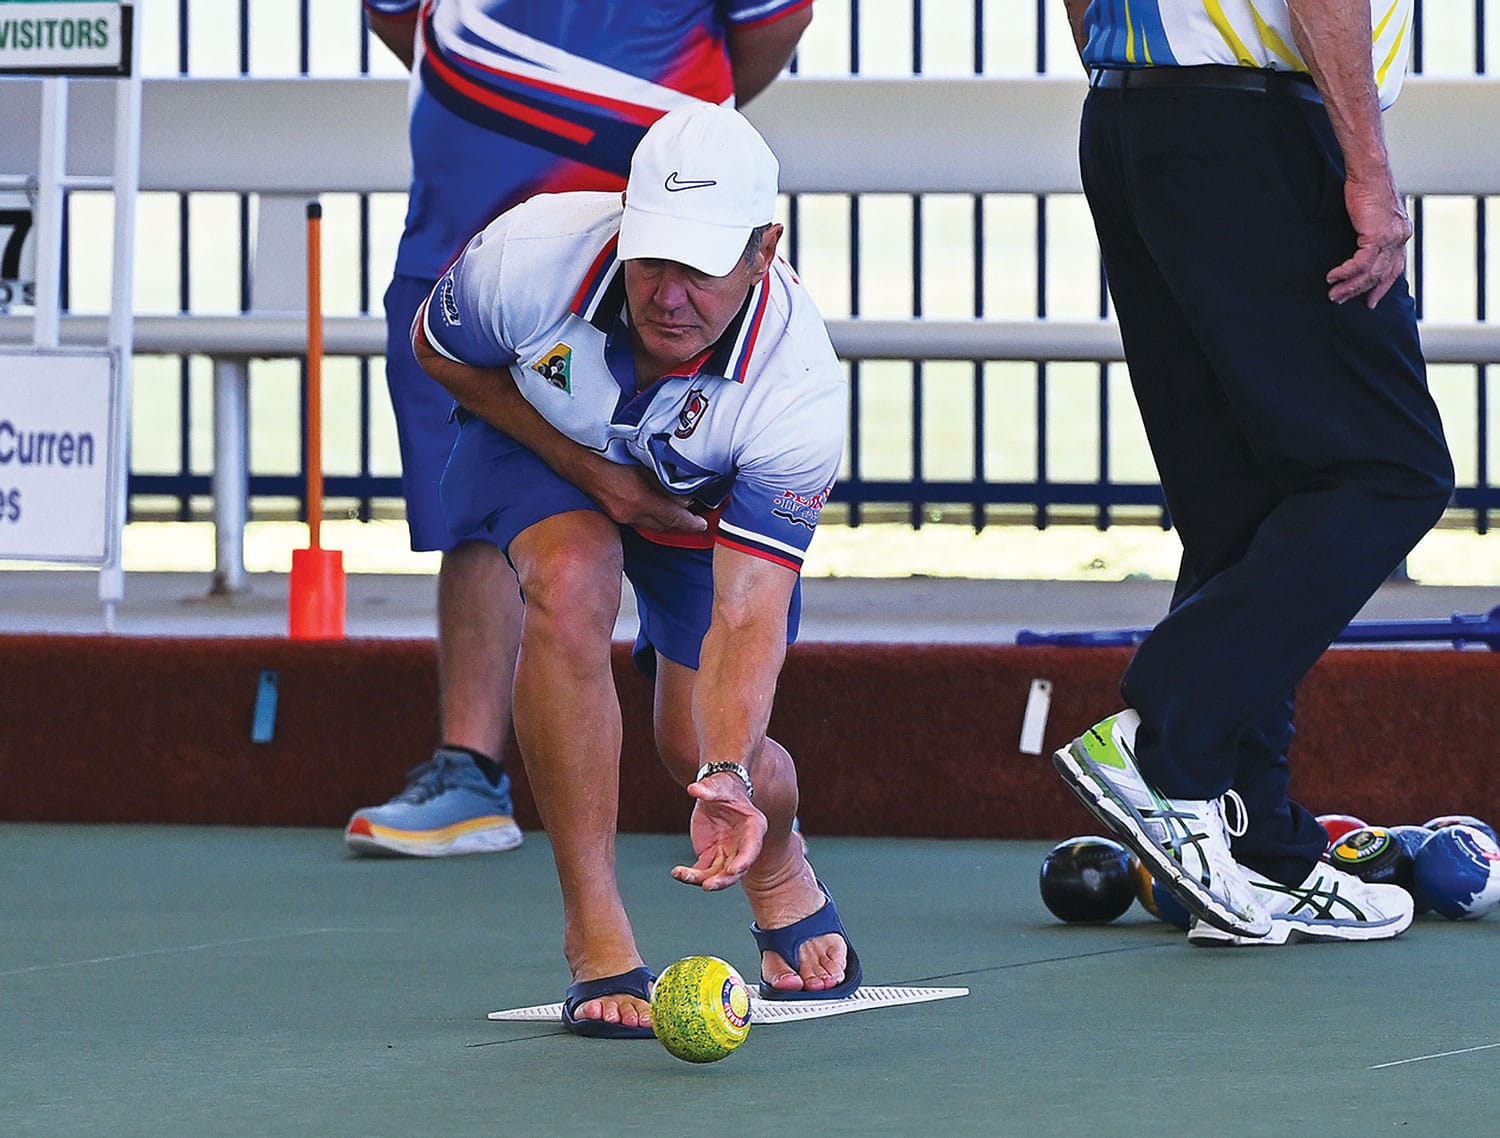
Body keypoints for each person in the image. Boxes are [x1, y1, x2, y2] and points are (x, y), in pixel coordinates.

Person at [413, 102, 858, 1034]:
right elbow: (441, 349)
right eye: (653, 258)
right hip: (543, 441)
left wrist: (729, 775)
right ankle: (597, 934)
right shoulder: (528, 255)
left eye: (700, 268)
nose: (668, 294)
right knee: (571, 583)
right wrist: (591, 476)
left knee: (695, 749)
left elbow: (749, 612)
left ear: (763, 248)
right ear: (625, 218)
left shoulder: (798, 392)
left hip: (705, 501)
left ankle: (778, 863)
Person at [347, 0, 815, 857]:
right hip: (476, 223)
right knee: (522, 538)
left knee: (693, 722)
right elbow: (398, 19)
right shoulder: (517, 259)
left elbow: (771, 24)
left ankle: (765, 846)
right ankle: (469, 771)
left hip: (649, 214)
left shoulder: (787, 361)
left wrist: (662, 144)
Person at [1051, 0, 1455, 946]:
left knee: (1240, 502)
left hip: (1135, 118)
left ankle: (1254, 843)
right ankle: (1167, 742)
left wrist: (1146, 94)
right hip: (1257, 121)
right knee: (1389, 470)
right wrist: (1367, 169)